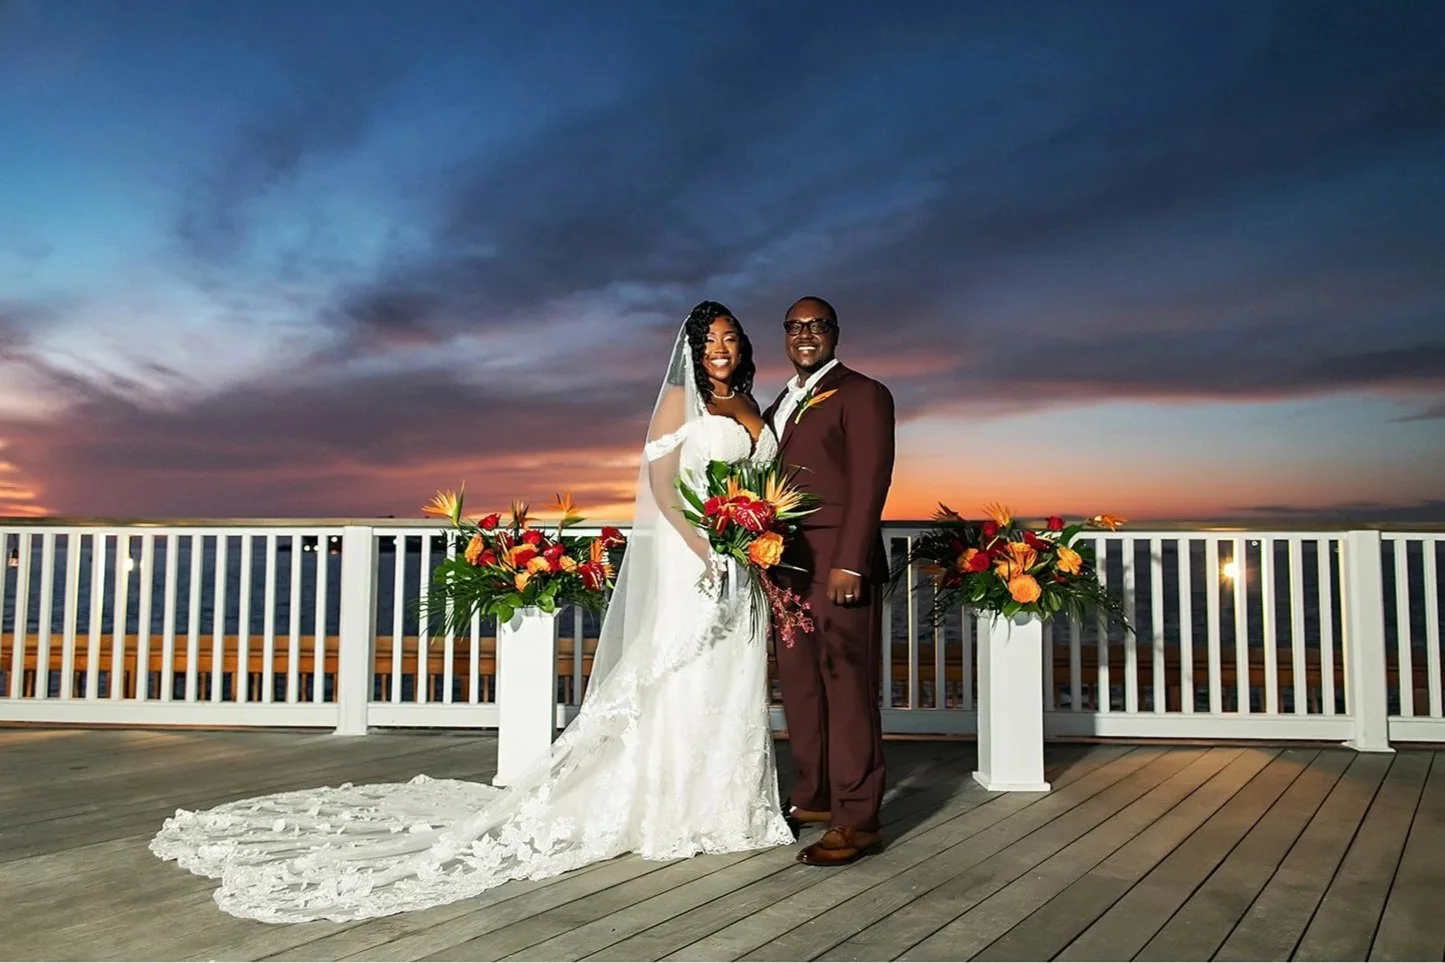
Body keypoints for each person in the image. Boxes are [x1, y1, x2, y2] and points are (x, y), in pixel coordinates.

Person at [149, 301, 793, 923]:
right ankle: (675, 809)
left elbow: (757, 487)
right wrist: (704, 549)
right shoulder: (682, 400)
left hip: (744, 559)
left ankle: (730, 805)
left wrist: (753, 540)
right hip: (695, 555)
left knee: (730, 674)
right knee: (680, 674)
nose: (720, 348)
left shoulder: (750, 404)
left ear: (743, 345)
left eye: (730, 337)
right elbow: (662, 486)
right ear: (691, 349)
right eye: (709, 339)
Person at [763, 296, 896, 866]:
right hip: (786, 565)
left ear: (835, 333)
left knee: (847, 690)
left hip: (839, 564)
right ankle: (814, 796)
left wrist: (852, 562)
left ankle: (857, 818)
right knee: (800, 687)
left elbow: (870, 481)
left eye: (817, 325)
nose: (805, 334)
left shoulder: (863, 393)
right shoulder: (778, 402)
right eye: (795, 327)